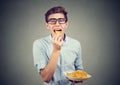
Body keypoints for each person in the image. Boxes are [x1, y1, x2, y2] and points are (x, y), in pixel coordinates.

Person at [33, 6, 84, 85]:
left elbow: (79, 70)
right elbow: (46, 78)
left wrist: (78, 78)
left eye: (61, 20)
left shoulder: (76, 44)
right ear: (47, 25)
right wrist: (56, 50)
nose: (57, 24)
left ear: (66, 24)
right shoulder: (39, 44)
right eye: (52, 21)